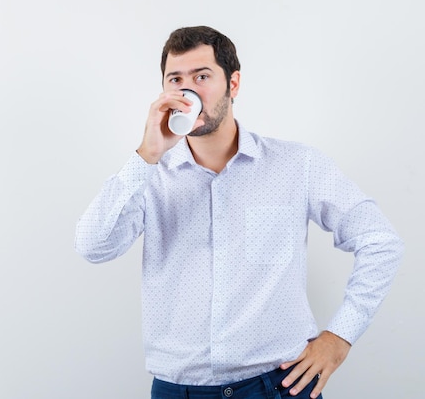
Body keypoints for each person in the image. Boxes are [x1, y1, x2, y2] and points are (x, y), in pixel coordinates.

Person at [74, 26, 403, 399]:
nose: (189, 91)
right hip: (178, 390)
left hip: (277, 385)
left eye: (202, 76)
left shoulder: (297, 165)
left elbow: (380, 241)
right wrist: (147, 155)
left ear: (233, 84)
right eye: (176, 80)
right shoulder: (148, 176)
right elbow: (92, 246)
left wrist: (340, 336)